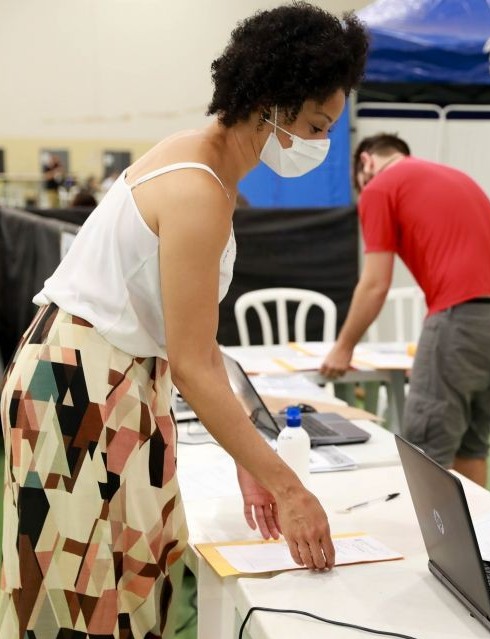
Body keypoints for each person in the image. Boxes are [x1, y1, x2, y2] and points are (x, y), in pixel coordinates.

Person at [0, 4, 368, 637]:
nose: (319, 144)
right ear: (270, 104)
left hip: (109, 377)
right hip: (80, 390)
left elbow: (194, 336)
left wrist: (247, 458)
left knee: (142, 574)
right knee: (93, 598)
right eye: (313, 125)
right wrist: (290, 490)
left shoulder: (209, 166)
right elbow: (194, 362)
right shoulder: (198, 187)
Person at [320, 134, 490, 487]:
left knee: (424, 453)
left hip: (460, 319)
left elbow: (375, 283)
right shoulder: (452, 176)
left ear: (366, 163)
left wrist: (343, 347)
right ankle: (474, 537)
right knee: (471, 448)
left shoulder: (380, 187)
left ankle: (425, 544)